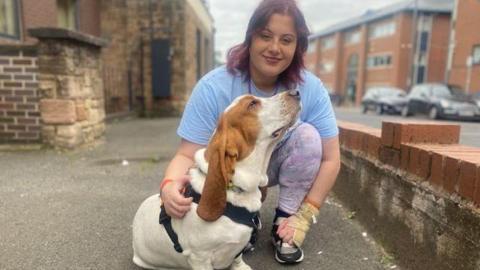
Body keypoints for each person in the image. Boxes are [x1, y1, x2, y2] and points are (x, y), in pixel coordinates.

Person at [159, 0, 340, 265]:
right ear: (250, 38)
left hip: (277, 165)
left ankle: (284, 222)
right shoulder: (213, 87)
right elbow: (187, 153)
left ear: (297, 47)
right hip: (235, 172)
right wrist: (168, 187)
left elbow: (331, 159)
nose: (274, 48)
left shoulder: (309, 88)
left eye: (287, 40)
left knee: (309, 138)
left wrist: (304, 215)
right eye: (265, 36)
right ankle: (244, 220)